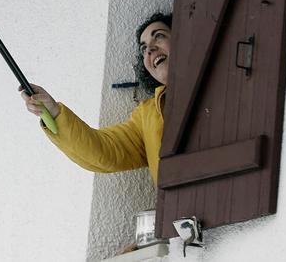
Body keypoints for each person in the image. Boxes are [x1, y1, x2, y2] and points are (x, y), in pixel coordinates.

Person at [20, 12, 172, 185]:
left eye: (159, 36)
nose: (150, 49)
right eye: (144, 48)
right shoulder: (148, 116)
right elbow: (103, 152)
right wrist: (54, 111)